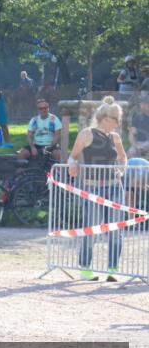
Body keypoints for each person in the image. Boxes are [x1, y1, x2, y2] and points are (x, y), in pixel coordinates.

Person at [68, 96, 127, 281]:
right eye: (115, 120)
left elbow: (123, 158)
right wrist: (71, 165)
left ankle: (113, 270)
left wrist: (120, 171)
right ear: (105, 119)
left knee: (115, 229)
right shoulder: (87, 134)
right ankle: (85, 268)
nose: (117, 124)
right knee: (91, 229)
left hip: (114, 189)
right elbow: (73, 156)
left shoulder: (115, 137)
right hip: (92, 189)